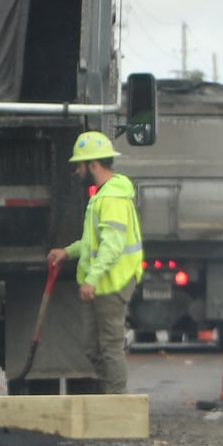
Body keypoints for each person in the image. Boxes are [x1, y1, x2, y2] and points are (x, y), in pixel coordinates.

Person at [46, 131, 143, 395]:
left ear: (93, 165)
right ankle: (110, 396)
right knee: (93, 347)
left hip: (112, 282)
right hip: (103, 282)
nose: (77, 171)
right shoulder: (102, 196)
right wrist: (67, 252)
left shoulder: (111, 198)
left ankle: (117, 402)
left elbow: (112, 247)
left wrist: (92, 279)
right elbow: (93, 243)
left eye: (79, 165)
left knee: (110, 346)